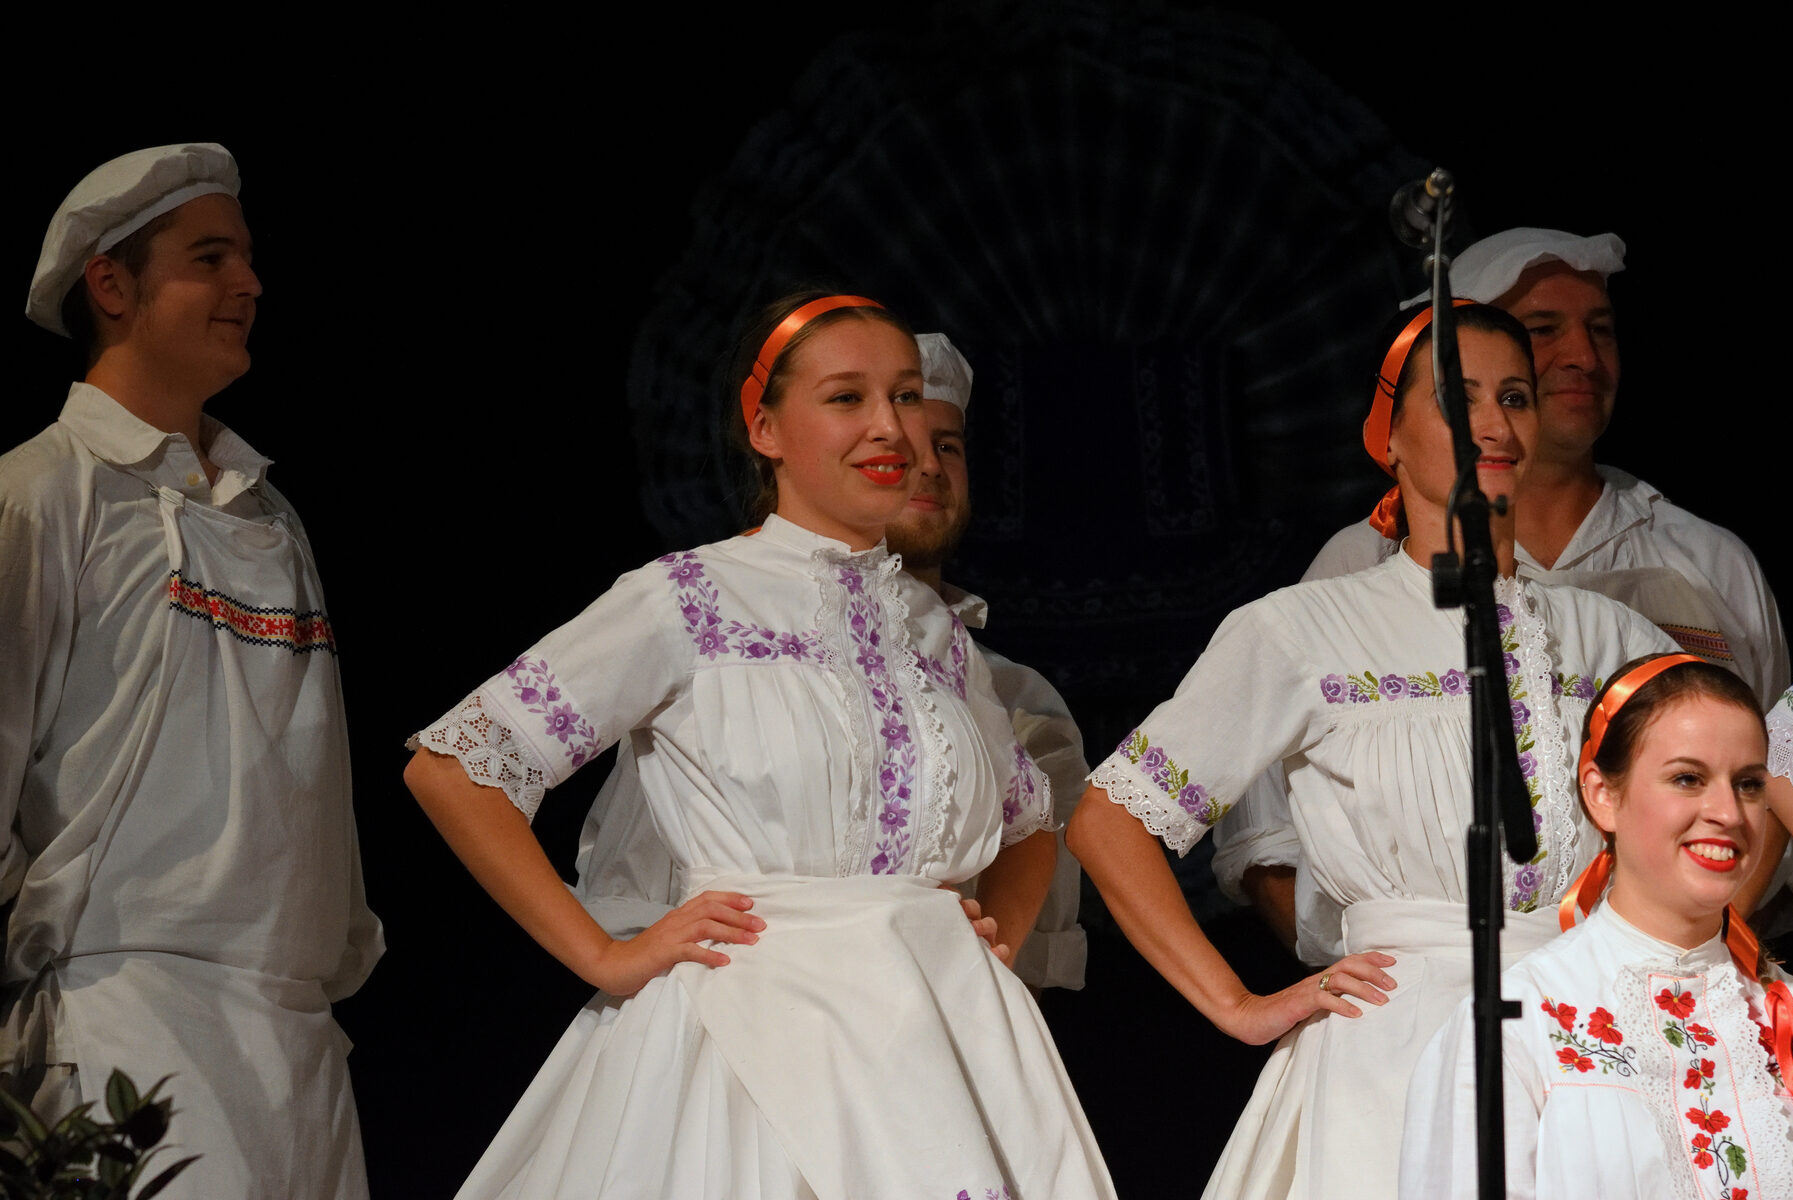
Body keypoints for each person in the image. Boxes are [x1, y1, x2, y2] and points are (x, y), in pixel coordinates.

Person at [404, 294, 1114, 1198]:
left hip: (940, 1044)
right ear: (765, 427)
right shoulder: (687, 599)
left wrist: (988, 947)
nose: (890, 426)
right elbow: (457, 768)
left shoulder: (936, 634)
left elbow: (1030, 818)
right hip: (747, 1036)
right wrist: (603, 955)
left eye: (903, 396)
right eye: (847, 398)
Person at [1067, 301, 1677, 1200]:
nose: (1493, 423)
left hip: (1595, 1038)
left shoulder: (1618, 639)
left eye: (1514, 396)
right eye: (1458, 397)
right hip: (1396, 1053)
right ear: (1388, 436)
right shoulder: (1304, 629)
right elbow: (1107, 820)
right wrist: (1239, 1005)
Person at [1215, 228, 1792, 966]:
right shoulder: (1359, 567)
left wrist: (1674, 968)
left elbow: (1770, 782)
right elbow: (1263, 829)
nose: (1583, 357)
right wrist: (1358, 986)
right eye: (1543, 330)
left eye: (1601, 330)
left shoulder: (1707, 560)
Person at [0, 144, 382, 1198]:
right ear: (111, 286)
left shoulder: (269, 513)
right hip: (122, 1009)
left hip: (295, 1029)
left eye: (248, 258)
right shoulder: (43, 494)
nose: (248, 284)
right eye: (210, 259)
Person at [573, 331, 1089, 990]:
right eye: (859, 412)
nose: (918, 458)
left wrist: (988, 964)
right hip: (743, 1000)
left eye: (946, 445)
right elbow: (630, 888)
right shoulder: (713, 633)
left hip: (933, 1013)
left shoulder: (1000, 684)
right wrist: (621, 961)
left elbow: (1035, 861)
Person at [1400, 655, 1793, 1199]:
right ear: (1602, 794)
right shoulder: (1518, 1021)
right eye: (1688, 778)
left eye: (1748, 784)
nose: (1728, 812)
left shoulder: (1784, 1014)